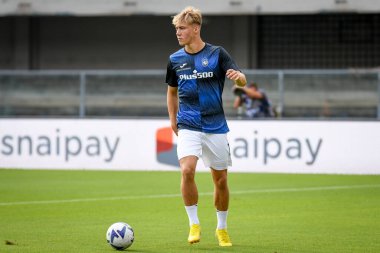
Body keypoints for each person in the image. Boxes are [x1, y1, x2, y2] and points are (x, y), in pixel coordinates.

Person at [165, 6, 247, 247]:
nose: (178, 32)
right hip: (188, 123)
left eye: (182, 28)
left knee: (220, 180)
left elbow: (242, 79)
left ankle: (222, 228)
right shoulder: (175, 60)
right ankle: (194, 223)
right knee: (187, 170)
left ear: (195, 28)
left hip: (215, 125)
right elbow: (171, 93)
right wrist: (172, 119)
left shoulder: (217, 54)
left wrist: (238, 78)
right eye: (176, 28)